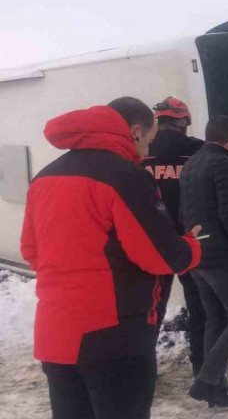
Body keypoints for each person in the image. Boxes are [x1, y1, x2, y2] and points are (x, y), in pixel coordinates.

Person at [20, 97, 201, 419]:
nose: (148, 150)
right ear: (133, 132)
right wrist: (192, 245)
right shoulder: (125, 177)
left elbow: (32, 252)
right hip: (114, 336)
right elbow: (163, 257)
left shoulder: (46, 176)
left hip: (56, 334)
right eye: (148, 139)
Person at [180, 116, 228, 408]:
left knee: (217, 319)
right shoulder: (224, 164)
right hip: (223, 255)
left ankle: (216, 388)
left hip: (198, 253)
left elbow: (183, 211)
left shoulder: (192, 164)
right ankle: (206, 380)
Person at [142, 97, 206, 377]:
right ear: (184, 122)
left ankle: (143, 371)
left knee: (148, 310)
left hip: (149, 242)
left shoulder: (141, 153)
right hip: (190, 241)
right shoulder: (199, 151)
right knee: (200, 307)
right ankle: (203, 367)